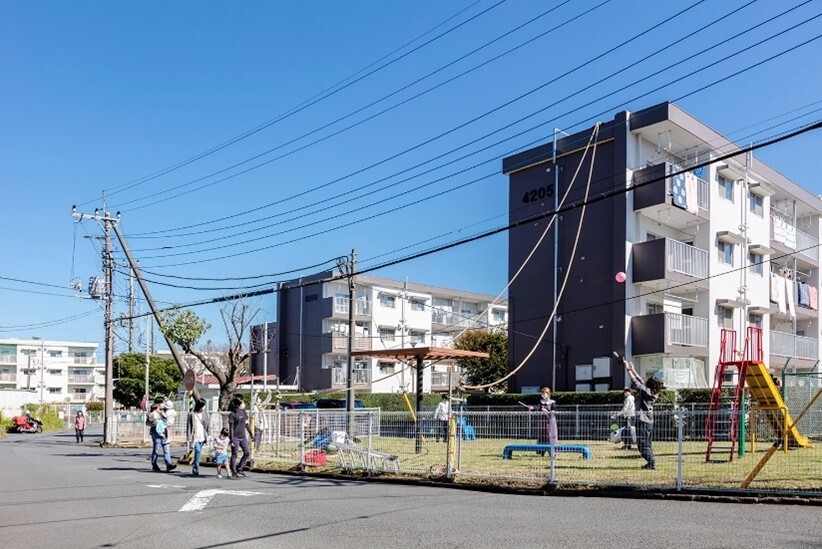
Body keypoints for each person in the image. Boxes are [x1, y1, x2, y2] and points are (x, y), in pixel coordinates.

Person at [623, 358, 663, 470]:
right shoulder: (653, 392)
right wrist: (633, 369)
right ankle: (650, 463)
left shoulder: (646, 392)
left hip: (643, 420)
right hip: (648, 421)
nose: (646, 379)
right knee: (647, 443)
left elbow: (636, 382)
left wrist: (627, 368)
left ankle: (652, 462)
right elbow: (641, 381)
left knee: (642, 444)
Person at [527, 387, 558, 455]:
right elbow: (537, 407)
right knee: (542, 434)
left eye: (545, 393)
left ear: (548, 394)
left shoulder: (552, 402)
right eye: (542, 393)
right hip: (542, 421)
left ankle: (552, 452)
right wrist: (532, 407)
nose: (543, 395)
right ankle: (541, 451)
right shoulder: (541, 402)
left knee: (550, 435)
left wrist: (548, 411)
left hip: (550, 422)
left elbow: (554, 411)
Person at [228, 396, 253, 477]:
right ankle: (233, 471)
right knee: (234, 454)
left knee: (247, 452)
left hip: (243, 437)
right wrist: (231, 440)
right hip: (235, 437)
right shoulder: (232, 414)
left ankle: (240, 468)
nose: (243, 404)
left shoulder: (244, 412)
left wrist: (251, 433)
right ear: (237, 405)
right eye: (242, 403)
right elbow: (231, 428)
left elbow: (246, 424)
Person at [186, 398, 210, 476]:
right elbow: (189, 426)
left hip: (202, 435)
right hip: (195, 436)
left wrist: (208, 434)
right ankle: (196, 467)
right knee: (198, 450)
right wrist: (189, 438)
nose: (204, 407)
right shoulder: (191, 414)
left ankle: (195, 466)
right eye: (203, 405)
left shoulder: (205, 413)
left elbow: (207, 424)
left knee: (198, 452)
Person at [252, 389, 272, 454]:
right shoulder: (254, 406)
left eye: (259, 398)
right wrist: (256, 392)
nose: (259, 399)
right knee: (256, 436)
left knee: (260, 437)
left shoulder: (262, 405)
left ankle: (257, 448)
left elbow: (267, 401)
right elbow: (253, 400)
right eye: (258, 398)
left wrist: (269, 393)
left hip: (262, 424)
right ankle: (254, 448)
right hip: (257, 424)